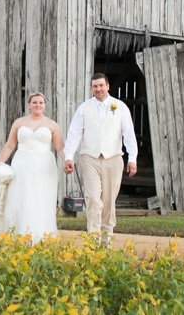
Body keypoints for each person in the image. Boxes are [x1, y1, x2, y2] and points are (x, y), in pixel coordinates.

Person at [63, 73, 138, 245]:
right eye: (95, 86)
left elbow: (128, 134)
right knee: (93, 198)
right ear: (91, 88)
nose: (98, 89)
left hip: (113, 157)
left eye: (101, 86)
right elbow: (74, 134)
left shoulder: (119, 107)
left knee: (108, 200)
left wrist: (132, 159)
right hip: (90, 157)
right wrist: (69, 157)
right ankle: (93, 237)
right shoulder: (84, 108)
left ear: (107, 86)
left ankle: (107, 239)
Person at [0, 92, 65, 243]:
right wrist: (0, 164)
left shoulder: (52, 125)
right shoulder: (19, 123)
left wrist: (66, 162)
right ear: (29, 105)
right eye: (34, 102)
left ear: (45, 105)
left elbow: (60, 147)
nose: (38, 105)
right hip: (21, 163)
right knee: (20, 196)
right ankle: (17, 232)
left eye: (41, 103)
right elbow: (10, 145)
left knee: (40, 197)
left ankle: (40, 234)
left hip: (44, 165)